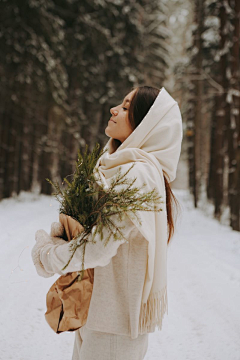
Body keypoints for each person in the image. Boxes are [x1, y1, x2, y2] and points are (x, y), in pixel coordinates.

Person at [31, 85, 183, 360]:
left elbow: (97, 248)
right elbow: (95, 232)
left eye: (126, 107)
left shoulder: (138, 174)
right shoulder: (114, 167)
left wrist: (47, 255)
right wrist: (64, 234)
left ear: (146, 125)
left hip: (114, 326)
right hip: (97, 312)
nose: (114, 110)